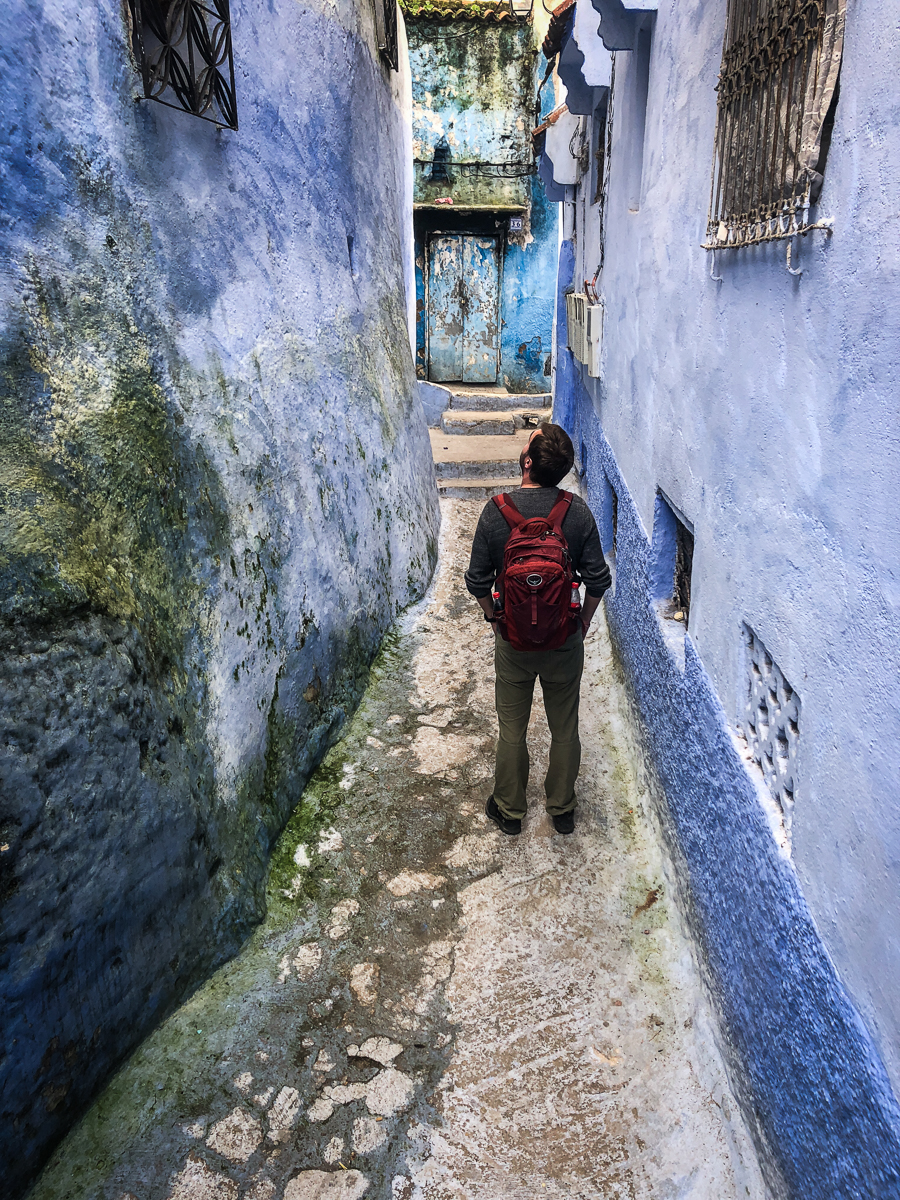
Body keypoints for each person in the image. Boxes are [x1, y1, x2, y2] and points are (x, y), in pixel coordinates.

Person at [464, 423, 611, 836]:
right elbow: (598, 579)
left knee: (512, 729)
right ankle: (561, 808)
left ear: (527, 462)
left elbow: (477, 581)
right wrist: (581, 622)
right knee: (564, 725)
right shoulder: (576, 512)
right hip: (564, 639)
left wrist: (495, 617)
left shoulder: (496, 512)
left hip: (513, 641)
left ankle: (510, 811)